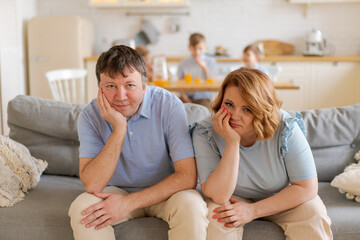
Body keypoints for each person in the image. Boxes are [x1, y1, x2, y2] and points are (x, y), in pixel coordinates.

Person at [68, 45, 208, 240]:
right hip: (116, 192)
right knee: (82, 208)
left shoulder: (169, 105)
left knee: (192, 206)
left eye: (130, 85)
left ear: (144, 85)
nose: (120, 96)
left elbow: (187, 177)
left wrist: (129, 203)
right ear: (99, 87)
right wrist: (119, 129)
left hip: (167, 193)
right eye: (110, 86)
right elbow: (92, 184)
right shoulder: (90, 116)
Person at [192, 67, 333, 240]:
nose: (234, 116)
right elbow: (218, 195)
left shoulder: (286, 127)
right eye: (229, 104)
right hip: (230, 199)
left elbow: (307, 187)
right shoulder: (205, 131)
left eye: (247, 109)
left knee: (313, 213)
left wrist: (253, 210)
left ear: (261, 109)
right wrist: (232, 143)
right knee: (216, 218)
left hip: (279, 196)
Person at [177, 33, 218, 108]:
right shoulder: (183, 63)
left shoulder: (210, 61)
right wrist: (185, 97)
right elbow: (179, 83)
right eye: (194, 48)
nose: (197, 52)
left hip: (203, 97)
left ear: (205, 48)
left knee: (203, 115)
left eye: (200, 48)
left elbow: (213, 81)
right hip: (186, 96)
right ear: (189, 48)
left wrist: (204, 67)